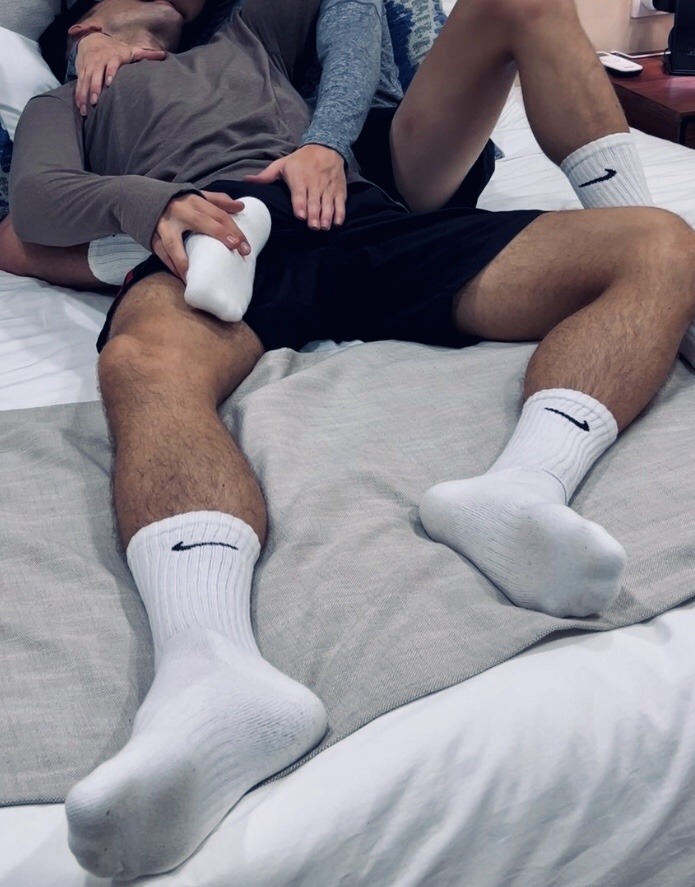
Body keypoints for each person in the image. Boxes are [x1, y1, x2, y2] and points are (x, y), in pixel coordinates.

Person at [7, 0, 695, 879]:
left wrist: (327, 142)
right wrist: (154, 204)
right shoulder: (64, 101)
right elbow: (35, 203)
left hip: (352, 217)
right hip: (209, 246)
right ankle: (210, 674)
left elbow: (349, 19)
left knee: (657, 243)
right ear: (79, 21)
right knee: (141, 362)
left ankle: (522, 487)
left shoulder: (247, 31)